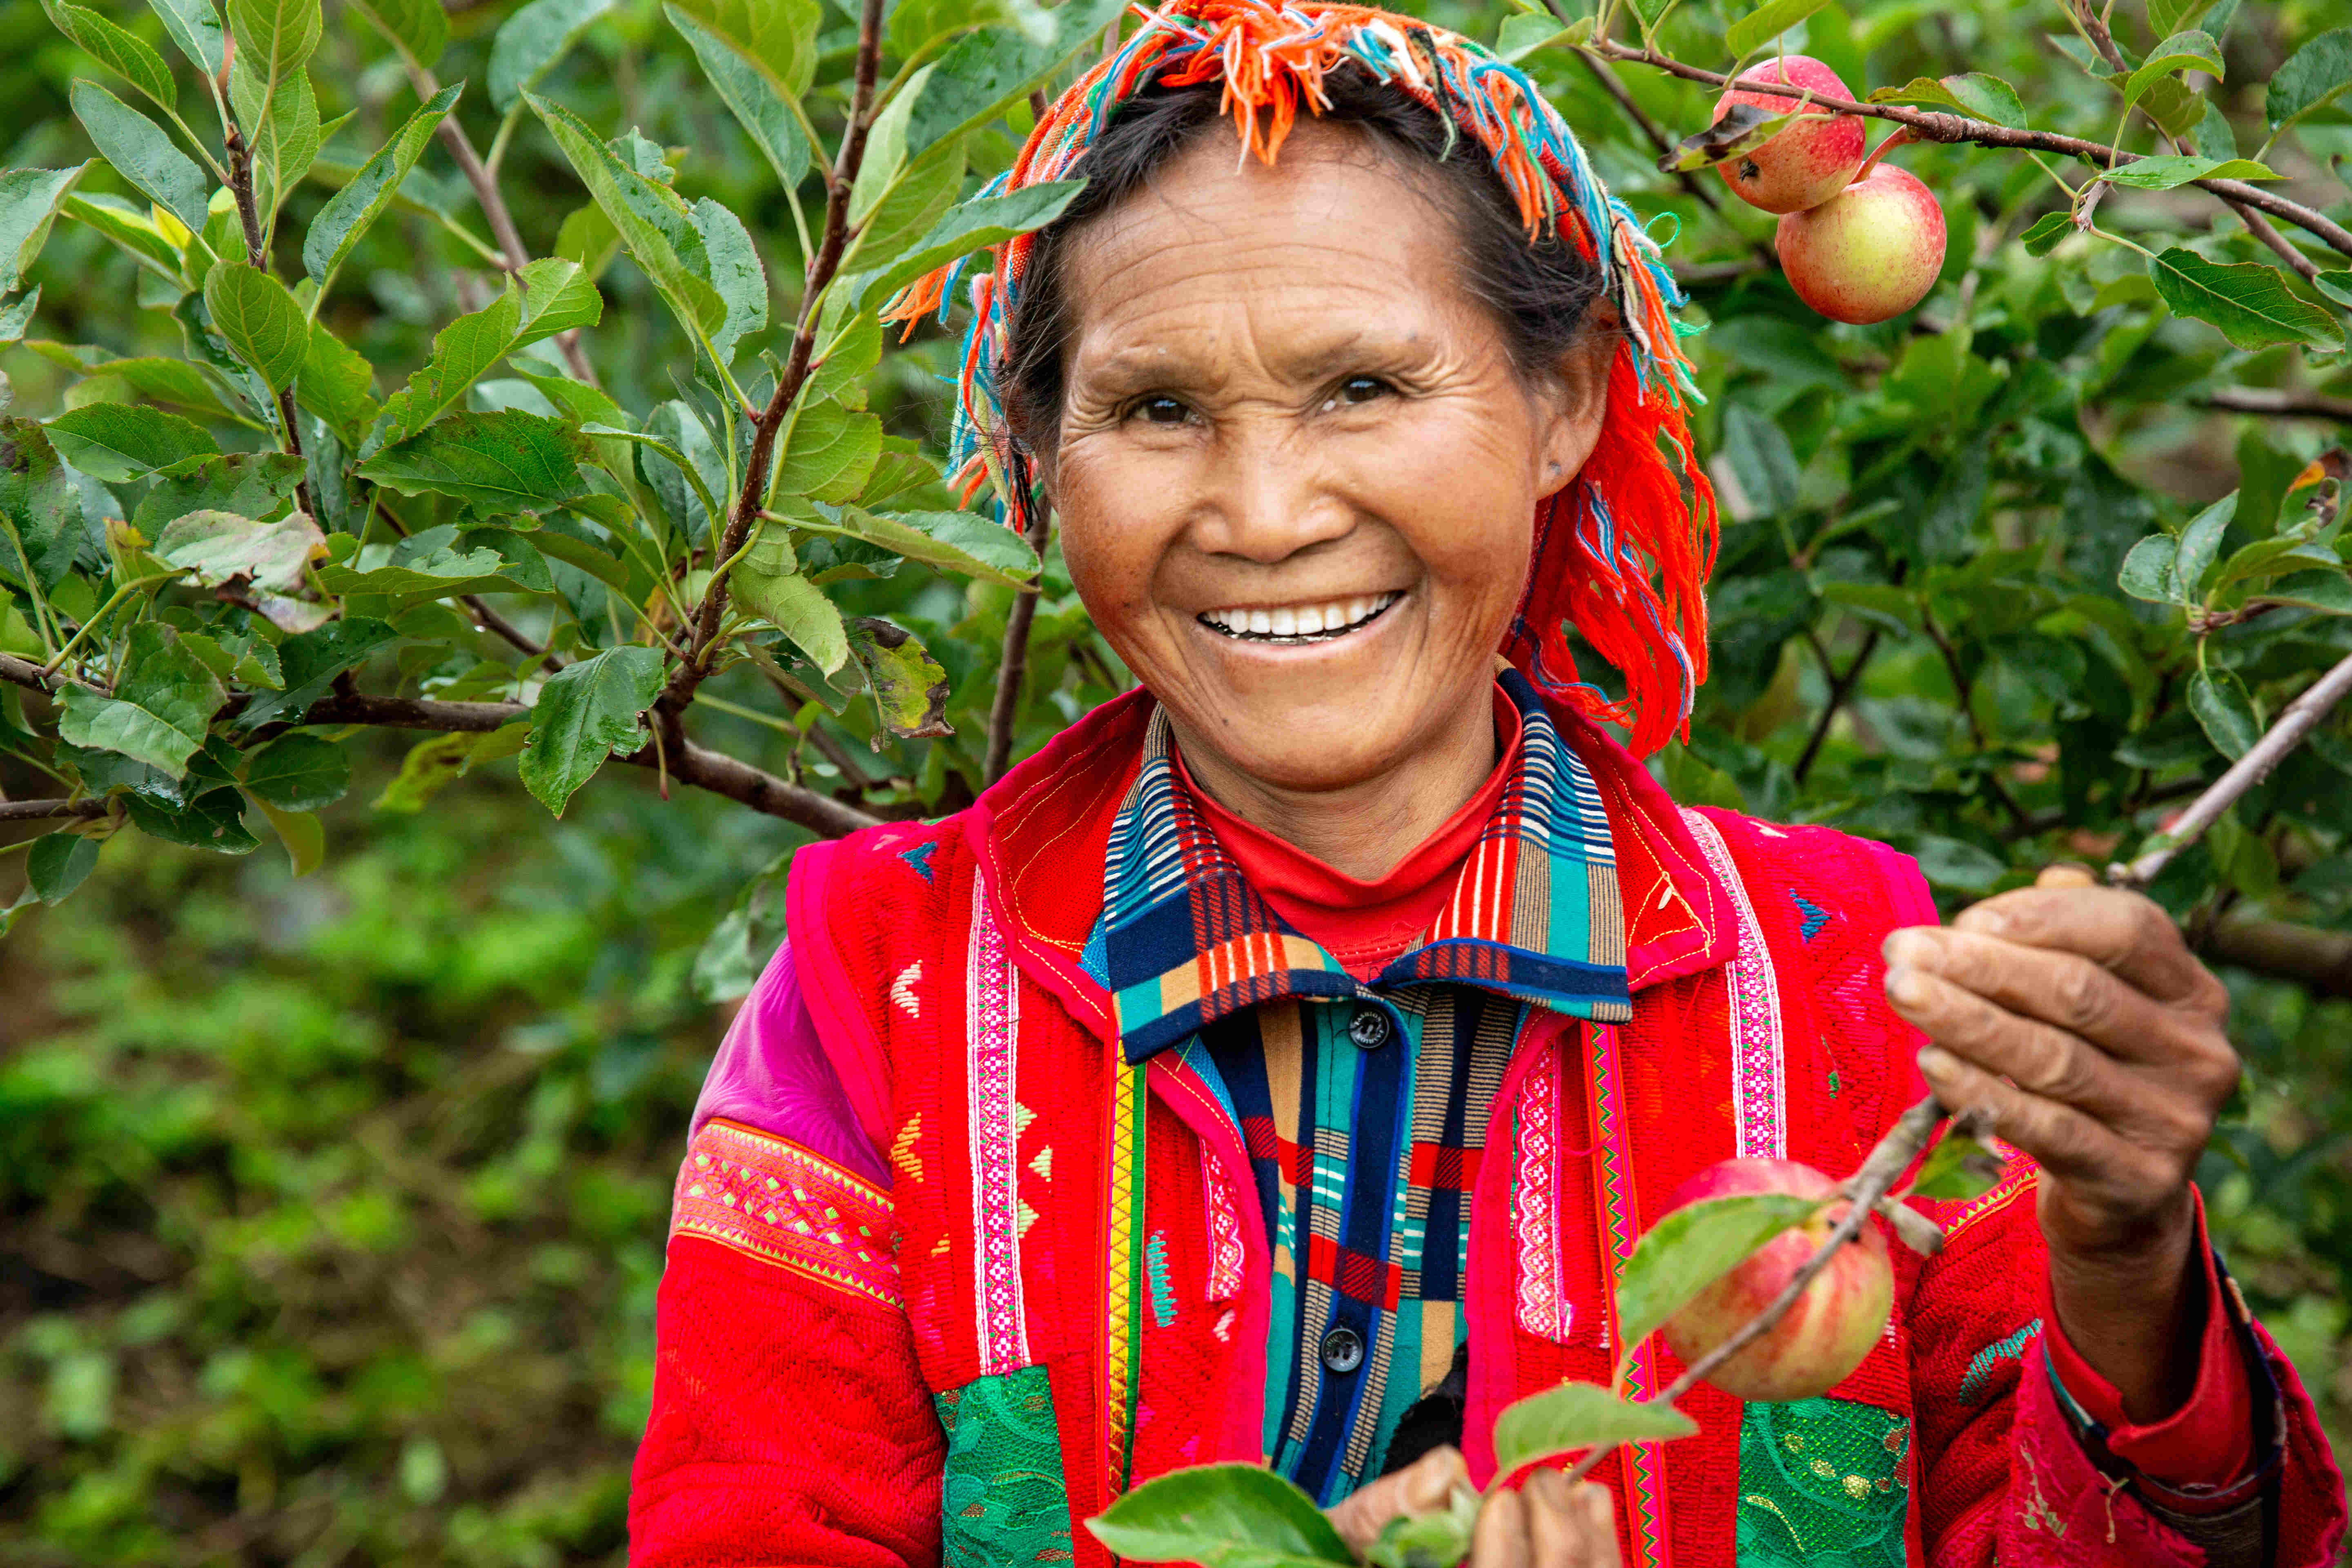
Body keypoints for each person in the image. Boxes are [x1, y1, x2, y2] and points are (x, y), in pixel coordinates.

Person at [627, 3, 2348, 1563]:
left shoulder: (1852, 984)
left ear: (1560, 404)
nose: (1266, 510)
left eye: (1366, 386)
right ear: (1033, 460)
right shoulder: (879, 992)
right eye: (1155, 410)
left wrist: (2126, 1271)